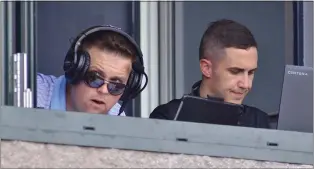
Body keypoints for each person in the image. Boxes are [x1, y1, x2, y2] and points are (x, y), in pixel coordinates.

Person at [149, 19, 269, 128]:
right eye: (235, 71)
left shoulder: (259, 121)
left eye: (251, 73)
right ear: (206, 68)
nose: (246, 84)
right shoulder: (168, 118)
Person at [36, 25, 148, 116]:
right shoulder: (29, 94)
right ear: (74, 71)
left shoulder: (116, 118)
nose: (103, 90)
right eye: (94, 78)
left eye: (116, 86)